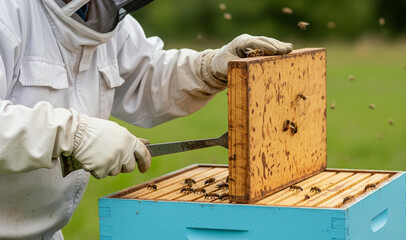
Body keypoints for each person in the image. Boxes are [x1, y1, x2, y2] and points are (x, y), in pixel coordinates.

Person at [0, 0, 293, 239]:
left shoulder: (102, 16)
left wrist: (209, 68)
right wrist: (72, 135)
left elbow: (146, 75)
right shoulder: (10, 13)